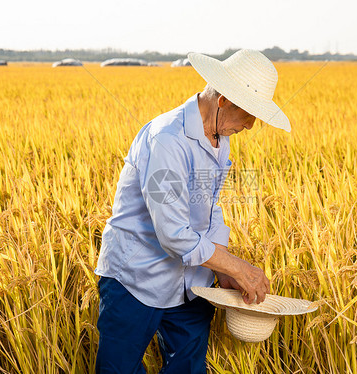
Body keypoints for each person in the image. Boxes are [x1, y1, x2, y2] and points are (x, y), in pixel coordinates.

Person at [94, 49, 291, 374]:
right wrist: (239, 269)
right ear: (224, 99)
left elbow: (209, 208)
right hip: (135, 281)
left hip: (191, 285)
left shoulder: (219, 135)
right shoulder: (167, 140)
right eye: (250, 112)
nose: (252, 125)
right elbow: (173, 234)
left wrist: (223, 268)